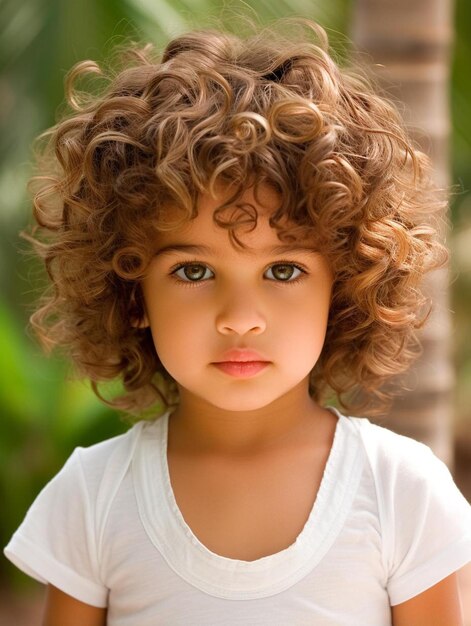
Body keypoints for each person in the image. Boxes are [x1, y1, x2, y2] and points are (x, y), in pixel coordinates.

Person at [4, 17, 471, 626]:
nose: (240, 319)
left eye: (282, 272)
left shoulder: (401, 491)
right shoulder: (93, 498)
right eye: (194, 273)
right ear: (132, 290)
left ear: (346, 286)